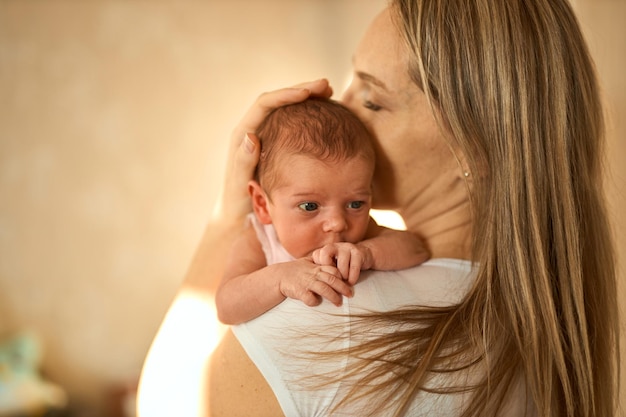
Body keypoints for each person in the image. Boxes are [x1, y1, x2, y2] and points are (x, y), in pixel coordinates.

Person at [137, 0, 620, 416]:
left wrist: (228, 213)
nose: (340, 109)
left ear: (470, 149)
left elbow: (167, 403)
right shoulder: (541, 320)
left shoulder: (325, 316)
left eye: (372, 98)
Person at [216, 98, 429, 325]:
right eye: (310, 206)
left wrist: (368, 253)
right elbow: (227, 306)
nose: (338, 223)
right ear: (261, 204)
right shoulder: (260, 239)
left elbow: (415, 249)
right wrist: (279, 278)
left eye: (356, 204)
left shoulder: (362, 238)